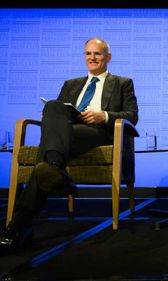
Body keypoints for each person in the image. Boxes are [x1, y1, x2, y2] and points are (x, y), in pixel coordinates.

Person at [0, 38, 139, 252]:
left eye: (97, 54)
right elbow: (57, 115)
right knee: (53, 106)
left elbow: (132, 115)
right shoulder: (71, 84)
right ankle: (51, 174)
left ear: (107, 57)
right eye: (88, 54)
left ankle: (18, 223)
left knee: (50, 146)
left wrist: (102, 115)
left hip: (98, 132)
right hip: (67, 133)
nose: (92, 58)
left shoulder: (122, 82)